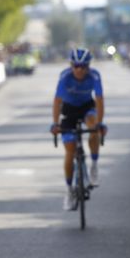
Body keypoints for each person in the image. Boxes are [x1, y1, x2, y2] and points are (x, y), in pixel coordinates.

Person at [50, 48, 107, 211]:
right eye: (76, 66)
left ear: (88, 66)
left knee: (94, 128)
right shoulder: (65, 77)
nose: (79, 70)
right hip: (69, 110)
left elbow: (100, 99)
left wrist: (100, 123)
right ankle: (68, 191)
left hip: (87, 107)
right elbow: (57, 101)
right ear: (71, 66)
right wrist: (55, 123)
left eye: (83, 66)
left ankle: (94, 165)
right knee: (70, 151)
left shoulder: (94, 76)